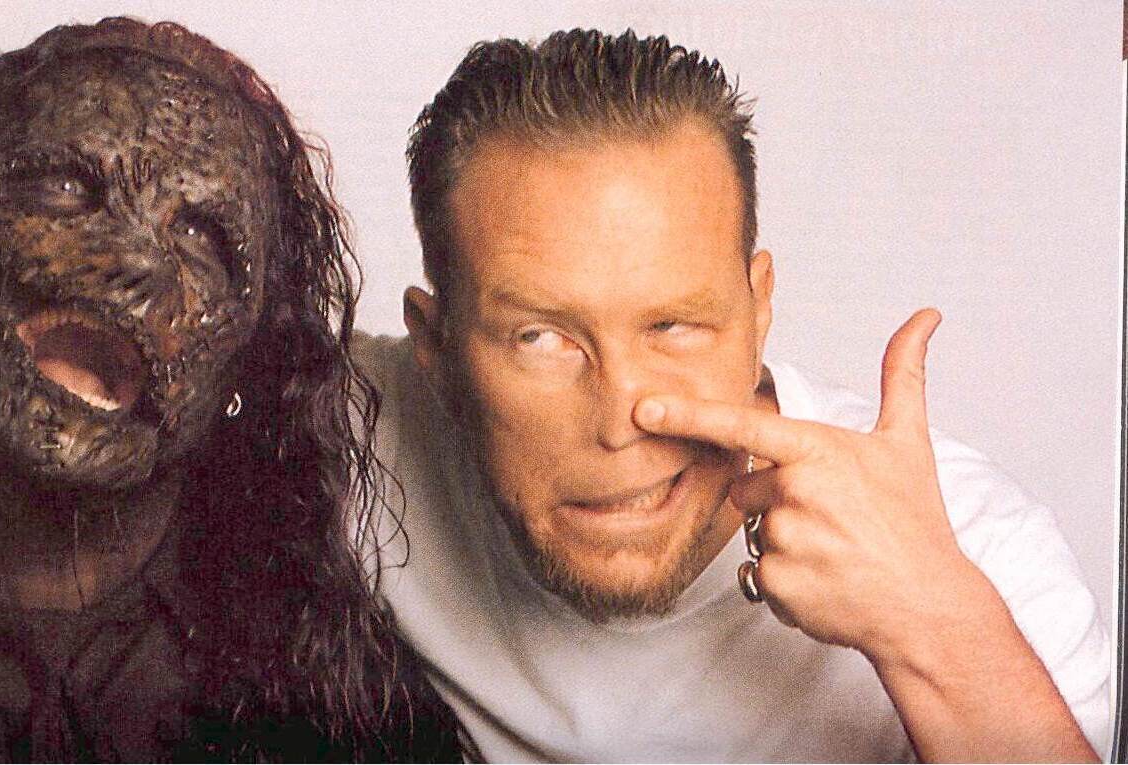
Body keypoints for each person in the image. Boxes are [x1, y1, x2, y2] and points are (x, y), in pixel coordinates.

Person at [355, 28, 1110, 761]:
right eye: (540, 338)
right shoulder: (347, 434)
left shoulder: (982, 552)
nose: (620, 422)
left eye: (674, 326)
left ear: (759, 309)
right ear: (436, 349)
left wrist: (934, 628)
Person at [0, 18, 460, 762]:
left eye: (203, 238)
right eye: (66, 186)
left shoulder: (334, 696)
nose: (136, 260)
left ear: (251, 360)